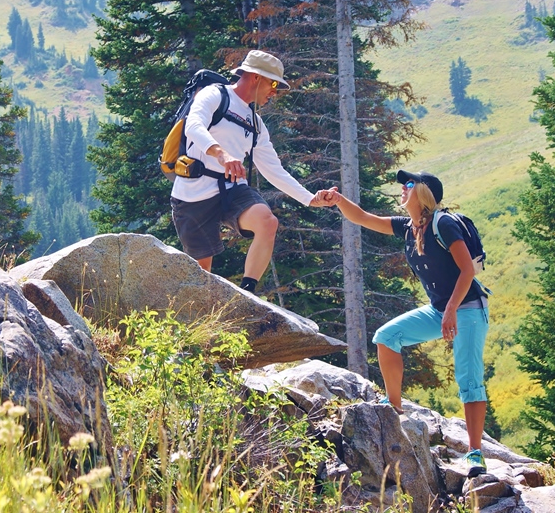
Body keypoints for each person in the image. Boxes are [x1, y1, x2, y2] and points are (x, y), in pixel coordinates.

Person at [315, 170, 490, 476]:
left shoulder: (443, 224)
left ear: (424, 193)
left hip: (468, 307)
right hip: (442, 309)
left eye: (408, 185)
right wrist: (338, 200)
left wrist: (451, 310)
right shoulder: (408, 228)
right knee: (387, 336)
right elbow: (364, 218)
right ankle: (393, 407)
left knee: (469, 378)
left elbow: (467, 271)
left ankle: (475, 453)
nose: (402, 190)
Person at [171, 50, 329, 292]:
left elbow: (274, 170)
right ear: (255, 77)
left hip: (232, 189)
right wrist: (222, 155)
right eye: (273, 83)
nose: (275, 92)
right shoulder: (215, 94)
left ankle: (247, 293)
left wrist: (309, 199)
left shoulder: (256, 124)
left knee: (267, 222)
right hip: (193, 194)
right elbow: (194, 126)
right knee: (201, 276)